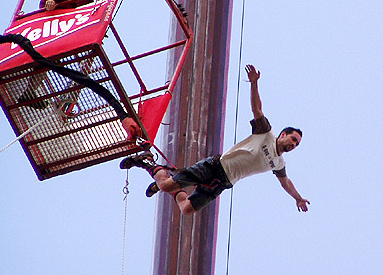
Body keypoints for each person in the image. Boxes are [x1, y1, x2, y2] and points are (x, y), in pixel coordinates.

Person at [120, 64, 310, 215]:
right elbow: (257, 109)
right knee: (166, 185)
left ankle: (165, 185)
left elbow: (286, 182)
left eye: (297, 144)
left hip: (222, 183)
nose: (293, 145)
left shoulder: (279, 163)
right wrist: (254, 83)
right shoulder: (266, 133)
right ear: (283, 135)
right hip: (215, 166)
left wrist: (298, 198)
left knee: (186, 209)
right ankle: (148, 161)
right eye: (293, 139)